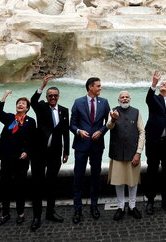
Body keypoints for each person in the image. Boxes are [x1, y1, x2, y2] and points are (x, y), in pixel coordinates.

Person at [29, 75, 70, 231]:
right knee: (37, 185)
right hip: (38, 153)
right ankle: (37, 216)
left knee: (52, 184)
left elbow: (66, 132)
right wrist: (42, 85)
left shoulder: (64, 110)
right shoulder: (41, 107)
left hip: (55, 153)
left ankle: (50, 212)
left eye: (55, 96)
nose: (53, 97)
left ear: (58, 97)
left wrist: (66, 151)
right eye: (50, 95)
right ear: (47, 97)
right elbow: (32, 101)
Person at [69, 77, 111, 224]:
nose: (100, 88)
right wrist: (78, 131)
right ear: (90, 87)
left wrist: (101, 131)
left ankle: (94, 206)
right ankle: (77, 208)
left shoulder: (104, 102)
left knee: (95, 176)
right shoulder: (78, 102)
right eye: (98, 86)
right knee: (78, 177)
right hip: (81, 145)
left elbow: (109, 122)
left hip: (97, 145)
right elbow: (72, 124)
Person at [0, 90, 36, 226]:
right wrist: (4, 96)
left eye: (23, 104)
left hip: (21, 159)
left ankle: (20, 213)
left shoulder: (30, 121)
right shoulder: (9, 118)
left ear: (27, 108)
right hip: (6, 157)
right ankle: (5, 214)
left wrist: (27, 152)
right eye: (18, 103)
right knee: (5, 186)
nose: (20, 105)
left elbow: (32, 140)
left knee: (20, 187)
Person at [144, 71, 166, 215]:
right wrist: (153, 82)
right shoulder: (154, 99)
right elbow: (148, 98)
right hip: (154, 142)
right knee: (152, 171)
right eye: (162, 83)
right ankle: (150, 201)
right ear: (159, 88)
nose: (164, 84)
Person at [107, 91, 146, 220]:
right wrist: (113, 118)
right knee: (119, 182)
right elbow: (109, 126)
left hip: (133, 154)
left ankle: (132, 206)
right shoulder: (112, 111)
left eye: (126, 97)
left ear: (130, 98)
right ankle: (120, 207)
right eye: (122, 97)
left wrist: (138, 152)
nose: (124, 99)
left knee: (133, 182)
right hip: (117, 153)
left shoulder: (136, 112)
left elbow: (142, 132)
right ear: (118, 100)